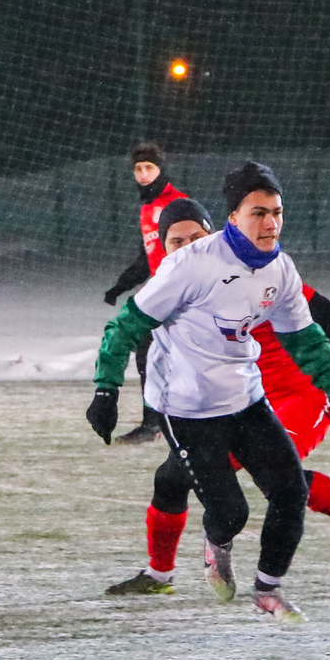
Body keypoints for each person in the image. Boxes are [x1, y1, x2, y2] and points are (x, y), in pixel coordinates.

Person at [86, 163, 330, 622]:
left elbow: (312, 340)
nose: (270, 222)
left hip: (249, 398)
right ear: (233, 216)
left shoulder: (279, 269)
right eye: (258, 212)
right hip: (190, 409)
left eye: (277, 212)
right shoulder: (188, 268)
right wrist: (106, 390)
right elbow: (124, 326)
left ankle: (268, 590)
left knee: (287, 491)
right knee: (229, 511)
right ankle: (209, 549)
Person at [102, 142, 189, 445]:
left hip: (181, 293)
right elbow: (147, 257)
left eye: (149, 168)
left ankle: (163, 422)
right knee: (149, 352)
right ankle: (154, 423)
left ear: (161, 170)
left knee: (188, 355)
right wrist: (121, 285)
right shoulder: (147, 207)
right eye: (138, 169)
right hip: (160, 292)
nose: (143, 174)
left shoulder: (177, 204)